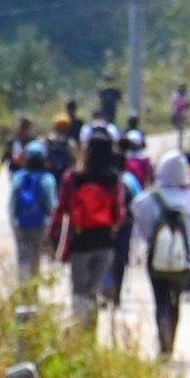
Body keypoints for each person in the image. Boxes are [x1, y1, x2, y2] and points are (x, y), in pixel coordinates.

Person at [136, 147, 190, 360]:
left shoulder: (148, 200)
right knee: (176, 299)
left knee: (160, 299)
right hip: (184, 261)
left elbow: (142, 228)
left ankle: (163, 340)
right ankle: (172, 340)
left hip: (156, 259)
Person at [60, 135, 130, 329]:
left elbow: (63, 208)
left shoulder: (74, 177)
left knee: (79, 290)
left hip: (81, 240)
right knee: (93, 291)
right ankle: (90, 333)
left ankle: (78, 331)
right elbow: (119, 214)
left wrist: (55, 236)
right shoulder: (114, 179)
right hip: (105, 241)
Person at [5, 134, 57, 284]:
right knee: (36, 257)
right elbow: (51, 205)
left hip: (21, 223)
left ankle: (23, 290)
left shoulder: (18, 177)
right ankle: (33, 290)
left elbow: (12, 204)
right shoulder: (47, 179)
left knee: (23, 257)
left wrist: (14, 221)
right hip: (40, 224)